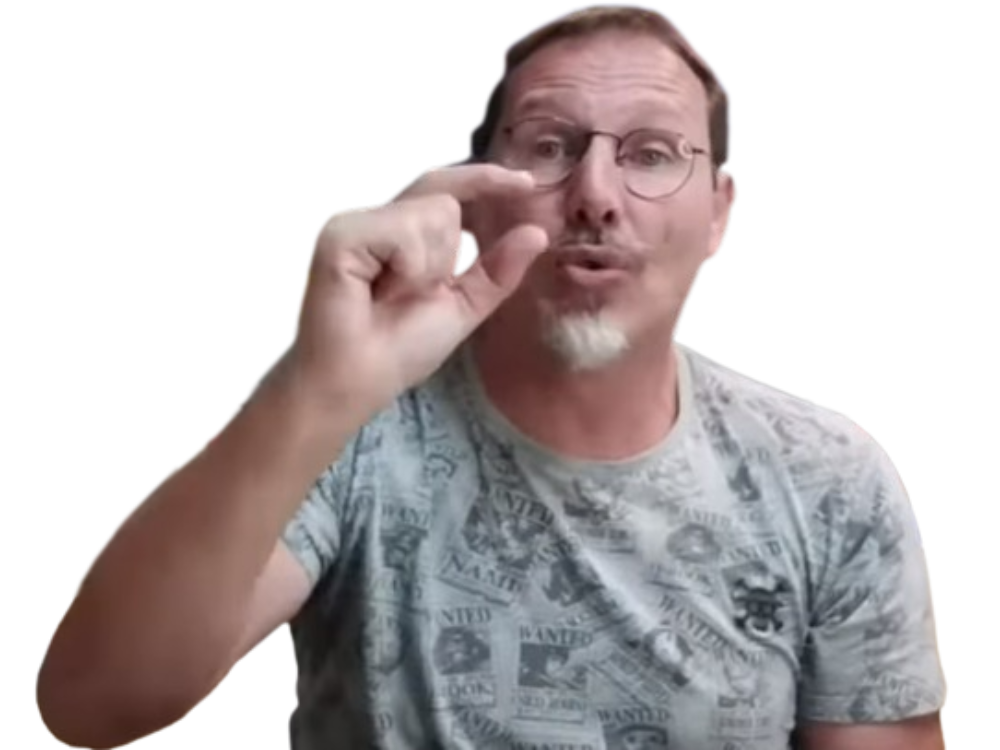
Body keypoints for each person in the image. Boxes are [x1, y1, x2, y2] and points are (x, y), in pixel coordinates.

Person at [35, 3, 948, 749]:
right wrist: (316, 389)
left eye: (651, 154)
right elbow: (93, 704)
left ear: (720, 215)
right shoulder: (349, 427)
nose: (596, 195)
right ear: (472, 197)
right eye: (548, 145)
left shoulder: (829, 477)